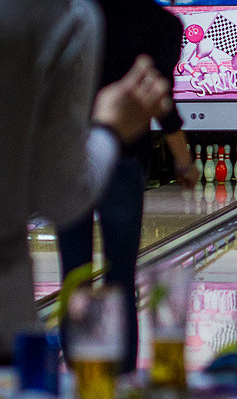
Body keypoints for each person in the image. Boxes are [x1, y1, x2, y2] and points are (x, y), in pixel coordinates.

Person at [0, 0, 172, 391]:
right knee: (119, 276)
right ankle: (112, 381)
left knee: (76, 271)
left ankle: (81, 367)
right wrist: (109, 128)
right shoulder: (61, 15)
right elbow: (61, 196)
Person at [57, 0, 198, 373]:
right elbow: (160, 100)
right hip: (125, 159)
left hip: (68, 156)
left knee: (75, 272)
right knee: (121, 274)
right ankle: (124, 375)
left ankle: (78, 375)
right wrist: (181, 157)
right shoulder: (163, 25)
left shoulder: (71, 16)